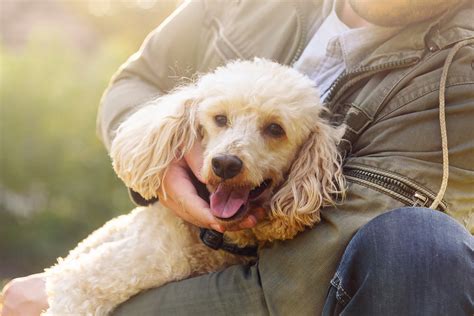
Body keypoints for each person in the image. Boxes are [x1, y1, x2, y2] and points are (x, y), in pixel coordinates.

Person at [2, 0, 473, 315]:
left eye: (274, 130)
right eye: (221, 122)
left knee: (423, 243)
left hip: (310, 295)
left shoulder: (460, 71)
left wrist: (80, 297)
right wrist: (170, 164)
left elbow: (296, 281)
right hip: (159, 244)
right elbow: (138, 80)